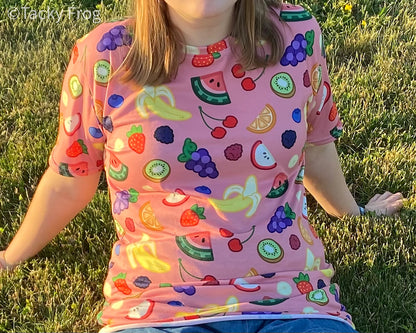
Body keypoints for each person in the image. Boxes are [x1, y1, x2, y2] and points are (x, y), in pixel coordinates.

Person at [0, 1, 404, 332]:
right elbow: (71, 176)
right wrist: (9, 257)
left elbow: (315, 147)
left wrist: (357, 212)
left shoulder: (296, 36)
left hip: (294, 302)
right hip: (154, 310)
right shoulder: (104, 55)